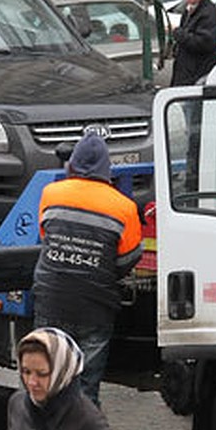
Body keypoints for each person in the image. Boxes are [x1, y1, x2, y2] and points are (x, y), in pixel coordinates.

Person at [32, 132, 142, 405]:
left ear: (72, 165)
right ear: (107, 170)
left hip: (51, 300)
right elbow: (128, 258)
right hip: (95, 306)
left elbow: (45, 236)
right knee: (85, 389)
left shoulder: (51, 194)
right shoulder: (124, 207)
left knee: (46, 381)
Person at [170, 0, 216, 85]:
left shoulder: (209, 14)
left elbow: (203, 43)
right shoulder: (189, 10)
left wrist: (177, 33)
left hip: (196, 77)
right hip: (186, 75)